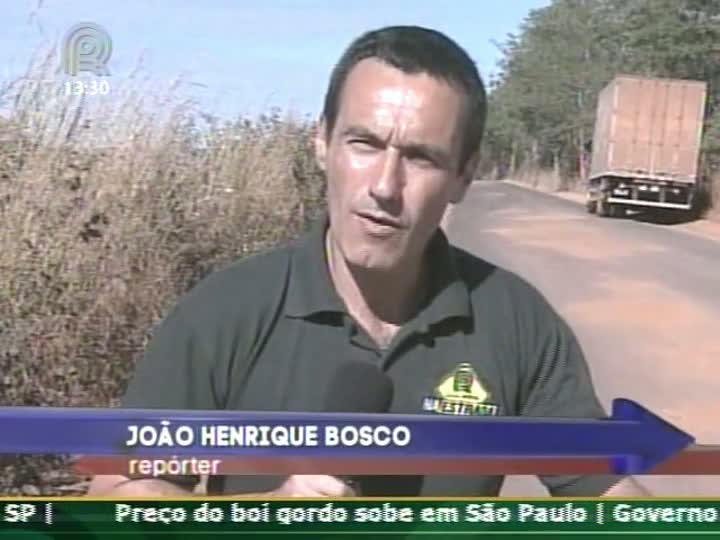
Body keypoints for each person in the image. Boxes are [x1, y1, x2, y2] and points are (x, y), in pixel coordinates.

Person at [88, 25, 648, 498]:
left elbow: (611, 498)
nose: (385, 186)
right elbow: (119, 496)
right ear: (322, 142)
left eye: (421, 157)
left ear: (463, 176)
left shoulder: (515, 320)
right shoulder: (226, 311)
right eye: (364, 144)